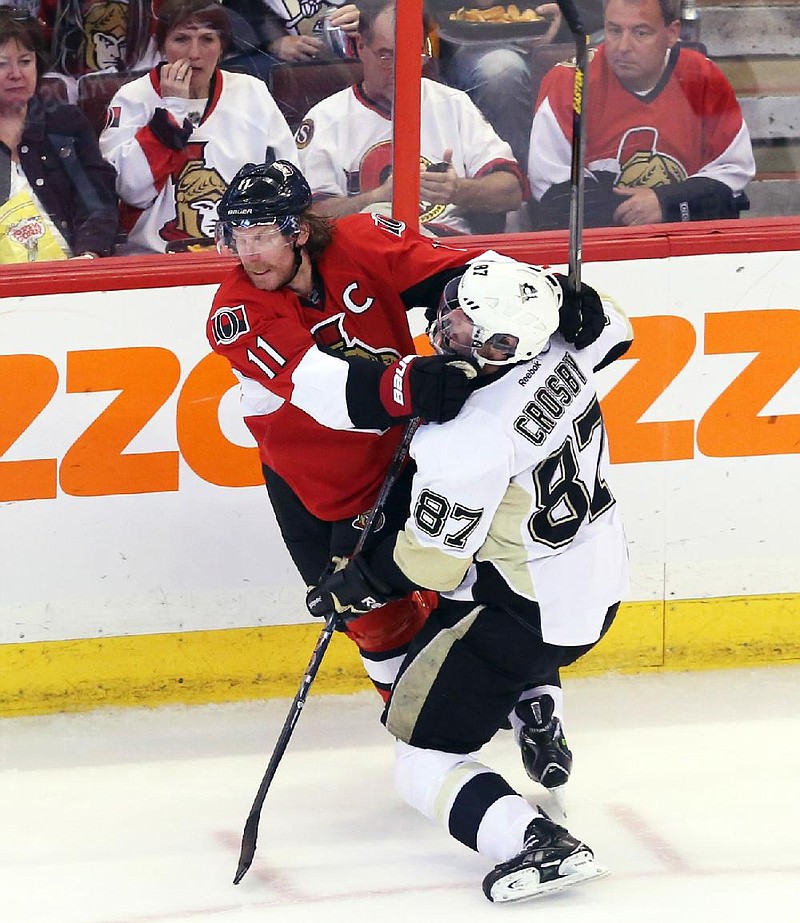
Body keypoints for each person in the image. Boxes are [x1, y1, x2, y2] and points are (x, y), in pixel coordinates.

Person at [206, 158, 605, 699]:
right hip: (321, 487)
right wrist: (413, 383)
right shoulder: (235, 312)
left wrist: (547, 297)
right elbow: (324, 388)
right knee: (368, 618)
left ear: (298, 229)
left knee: (462, 580)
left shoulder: (363, 238)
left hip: (408, 459)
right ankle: (416, 727)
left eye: (261, 235)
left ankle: (534, 702)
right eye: (238, 237)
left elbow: (463, 277)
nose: (248, 253)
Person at [306, 256, 633, 902]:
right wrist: (576, 297)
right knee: (485, 586)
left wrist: (357, 584)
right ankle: (536, 703)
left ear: (502, 345)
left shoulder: (466, 439)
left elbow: (429, 564)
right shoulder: (566, 345)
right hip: (599, 578)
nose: (446, 324)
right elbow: (613, 327)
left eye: (463, 326)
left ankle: (532, 839)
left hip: (525, 610)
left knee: (420, 758)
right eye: (454, 308)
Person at [295, 0, 525, 236]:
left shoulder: (453, 104)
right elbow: (311, 216)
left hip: (448, 252)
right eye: (386, 56)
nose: (399, 68)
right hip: (369, 253)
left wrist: (457, 190)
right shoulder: (326, 118)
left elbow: (511, 191)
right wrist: (378, 197)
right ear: (361, 46)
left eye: (411, 55)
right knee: (381, 215)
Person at [528, 0, 755, 229]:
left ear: (672, 33)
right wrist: (652, 207)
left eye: (641, 33)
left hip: (684, 248)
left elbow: (733, 175)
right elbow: (553, 191)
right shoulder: (568, 82)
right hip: (595, 251)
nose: (623, 46)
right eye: (614, 30)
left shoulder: (704, 78)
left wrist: (666, 203)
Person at [98, 0, 296, 253]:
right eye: (181, 39)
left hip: (241, 256)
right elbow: (131, 192)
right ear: (161, 47)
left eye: (207, 39)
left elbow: (288, 174)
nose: (194, 53)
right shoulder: (132, 98)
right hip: (153, 257)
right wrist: (172, 113)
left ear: (222, 46)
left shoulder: (250, 91)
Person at [0, 6, 118, 262]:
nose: (16, 74)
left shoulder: (65, 123)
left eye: (25, 61)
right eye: (2, 64)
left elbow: (97, 201)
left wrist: (88, 255)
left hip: (71, 266)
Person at [432, 1, 605, 170]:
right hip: (469, 40)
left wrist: (566, 17)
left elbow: (610, 11)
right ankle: (511, 182)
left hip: (567, 37)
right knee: (502, 71)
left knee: (617, 48)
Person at [222, 1, 360, 81]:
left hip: (363, 65)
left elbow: (377, 10)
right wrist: (273, 44)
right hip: (307, 77)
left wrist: (370, 14)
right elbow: (236, 34)